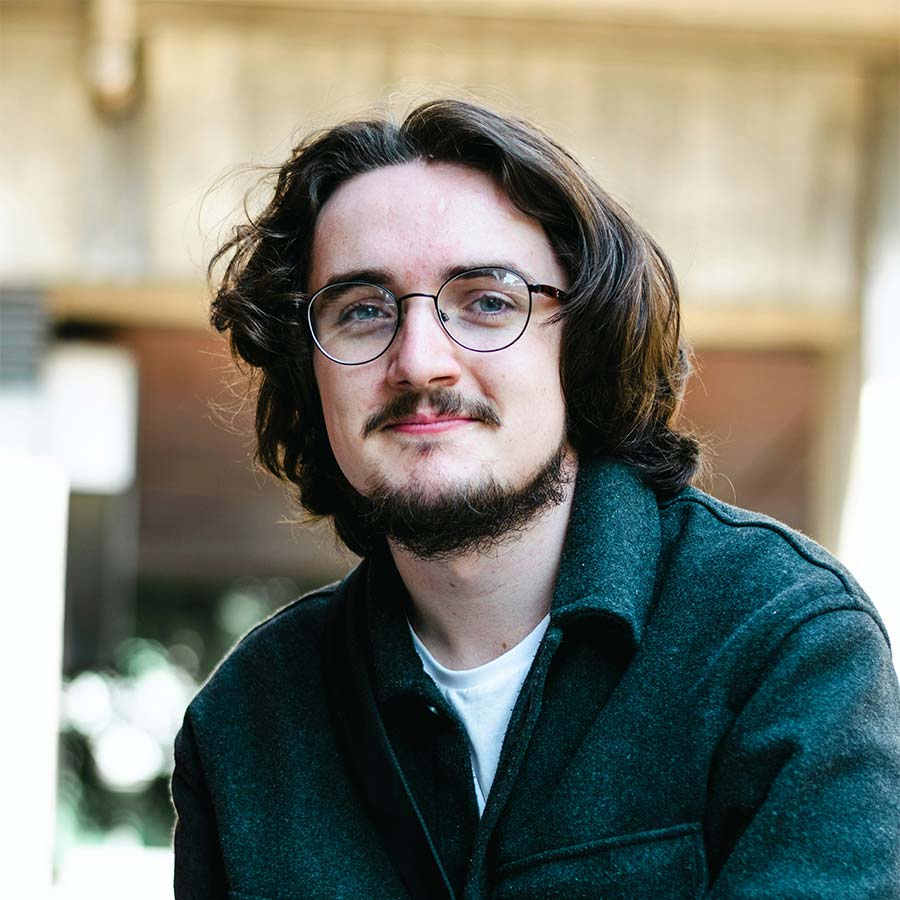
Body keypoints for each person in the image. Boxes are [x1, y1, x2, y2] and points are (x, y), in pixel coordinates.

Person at [172, 99, 900, 900]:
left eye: (487, 299)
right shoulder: (245, 721)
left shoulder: (780, 635)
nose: (421, 362)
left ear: (581, 344)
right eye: (363, 311)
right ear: (311, 376)